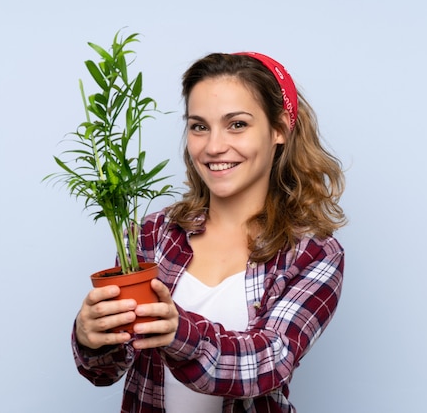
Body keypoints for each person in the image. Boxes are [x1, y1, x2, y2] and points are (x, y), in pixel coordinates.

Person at [72, 51, 347, 412]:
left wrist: (177, 333)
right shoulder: (154, 233)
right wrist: (92, 338)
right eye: (199, 126)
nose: (214, 146)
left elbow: (269, 362)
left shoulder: (313, 253)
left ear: (279, 128)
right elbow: (106, 370)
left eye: (237, 124)